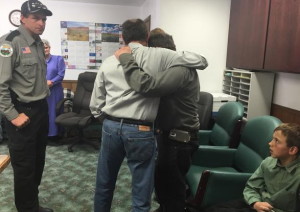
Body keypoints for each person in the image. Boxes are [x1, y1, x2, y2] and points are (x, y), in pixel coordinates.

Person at [90, 19, 207, 212]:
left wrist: (108, 121)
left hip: (176, 138)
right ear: (145, 38)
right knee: (144, 190)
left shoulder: (113, 61)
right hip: (145, 130)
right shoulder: (156, 61)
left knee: (108, 182)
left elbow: (145, 87)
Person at [0, 1, 53, 211]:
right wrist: (13, 115)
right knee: (24, 166)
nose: (41, 23)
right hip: (21, 112)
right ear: (22, 18)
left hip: (41, 110)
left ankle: (33, 205)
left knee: (38, 161)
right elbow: (0, 85)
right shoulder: (9, 43)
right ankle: (27, 208)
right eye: (36, 18)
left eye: (44, 19)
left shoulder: (38, 42)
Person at [203, 123, 300, 212]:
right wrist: (255, 203)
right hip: (257, 203)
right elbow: (251, 187)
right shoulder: (268, 162)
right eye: (272, 139)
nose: (270, 143)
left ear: (292, 150)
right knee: (212, 209)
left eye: (277, 141)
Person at [42, 39, 65, 140]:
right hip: (42, 92)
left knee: (54, 112)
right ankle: (45, 135)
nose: (44, 49)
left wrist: (51, 82)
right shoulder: (38, 60)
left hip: (55, 91)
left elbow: (61, 74)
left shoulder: (58, 59)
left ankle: (56, 135)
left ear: (49, 48)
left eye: (46, 47)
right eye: (42, 48)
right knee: (44, 113)